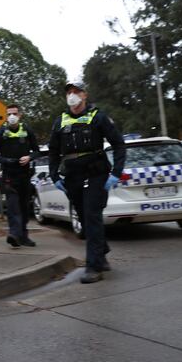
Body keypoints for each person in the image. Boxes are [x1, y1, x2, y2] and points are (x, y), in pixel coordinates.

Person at [48, 82, 125, 284]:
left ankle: (94, 267)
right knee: (84, 217)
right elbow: (53, 152)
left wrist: (116, 173)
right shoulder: (60, 121)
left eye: (76, 92)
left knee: (91, 215)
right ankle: (102, 251)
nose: (72, 95)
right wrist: (55, 176)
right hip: (72, 176)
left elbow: (118, 144)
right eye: (69, 92)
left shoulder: (98, 117)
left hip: (95, 174)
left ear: (84, 95)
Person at [0, 104, 41, 248]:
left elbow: (37, 151)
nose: (12, 116)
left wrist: (29, 157)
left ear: (20, 115)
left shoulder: (27, 130)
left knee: (24, 206)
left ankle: (23, 236)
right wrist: (6, 160)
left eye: (14, 113)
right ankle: (14, 234)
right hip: (9, 175)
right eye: (9, 114)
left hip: (24, 174)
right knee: (13, 207)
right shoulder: (1, 132)